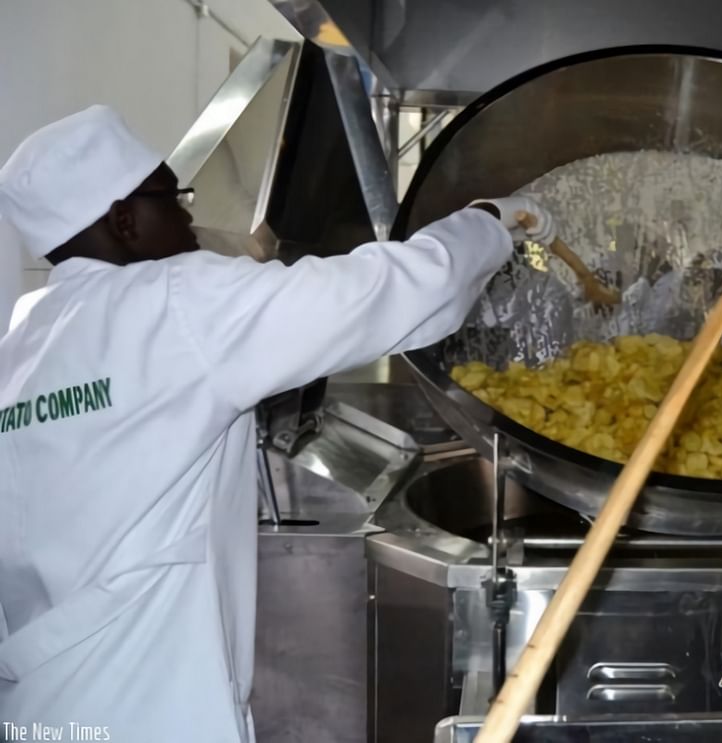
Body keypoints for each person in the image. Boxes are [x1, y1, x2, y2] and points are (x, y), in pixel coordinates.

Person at [0, 106, 552, 742]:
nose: (187, 216)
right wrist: (493, 222)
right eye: (171, 197)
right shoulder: (174, 303)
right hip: (148, 711)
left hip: (38, 715)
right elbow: (380, 292)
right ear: (125, 219)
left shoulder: (24, 344)